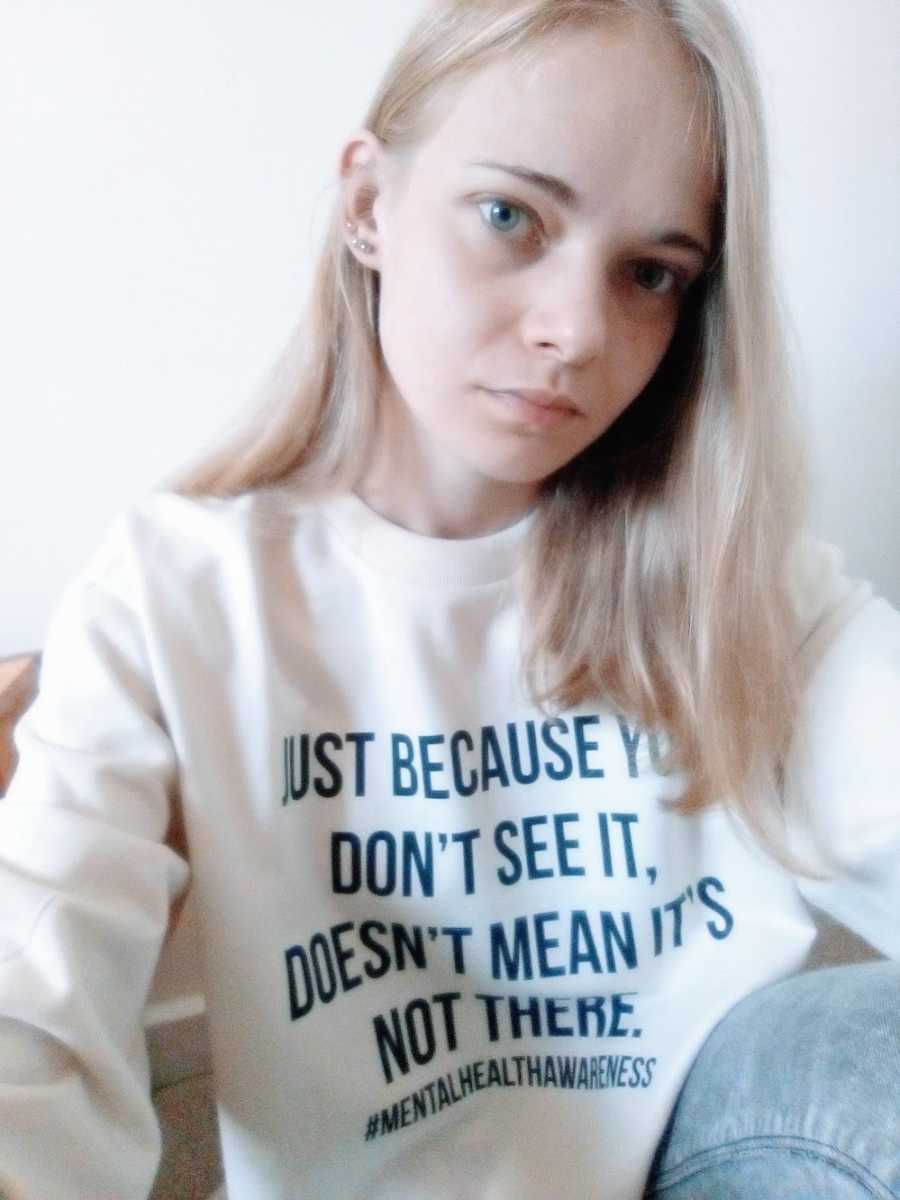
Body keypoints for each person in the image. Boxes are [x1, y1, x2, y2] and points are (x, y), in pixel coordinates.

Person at [1, 0, 898, 1196]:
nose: (578, 330)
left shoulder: (732, 577)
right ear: (370, 206)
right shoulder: (178, 594)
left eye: (651, 273)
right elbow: (33, 1022)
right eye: (510, 216)